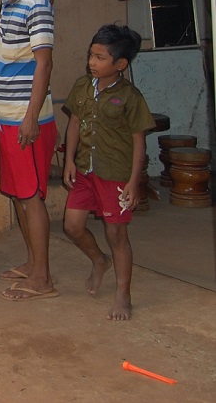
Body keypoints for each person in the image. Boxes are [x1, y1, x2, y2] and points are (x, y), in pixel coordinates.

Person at [62, 25, 153, 320]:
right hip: (85, 170)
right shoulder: (82, 87)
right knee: (72, 226)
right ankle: (99, 260)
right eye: (91, 55)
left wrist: (134, 182)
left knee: (116, 234)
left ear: (120, 64)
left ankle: (123, 294)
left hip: (115, 174)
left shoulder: (130, 97)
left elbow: (139, 143)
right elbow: (74, 123)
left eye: (100, 57)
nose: (92, 62)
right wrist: (69, 161)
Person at [0, 0, 58, 301]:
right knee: (17, 194)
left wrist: (31, 117)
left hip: (26, 120)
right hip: (7, 116)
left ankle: (43, 280)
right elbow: (12, 55)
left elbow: (44, 62)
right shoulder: (9, 2)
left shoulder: (36, 5)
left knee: (31, 198)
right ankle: (33, 264)